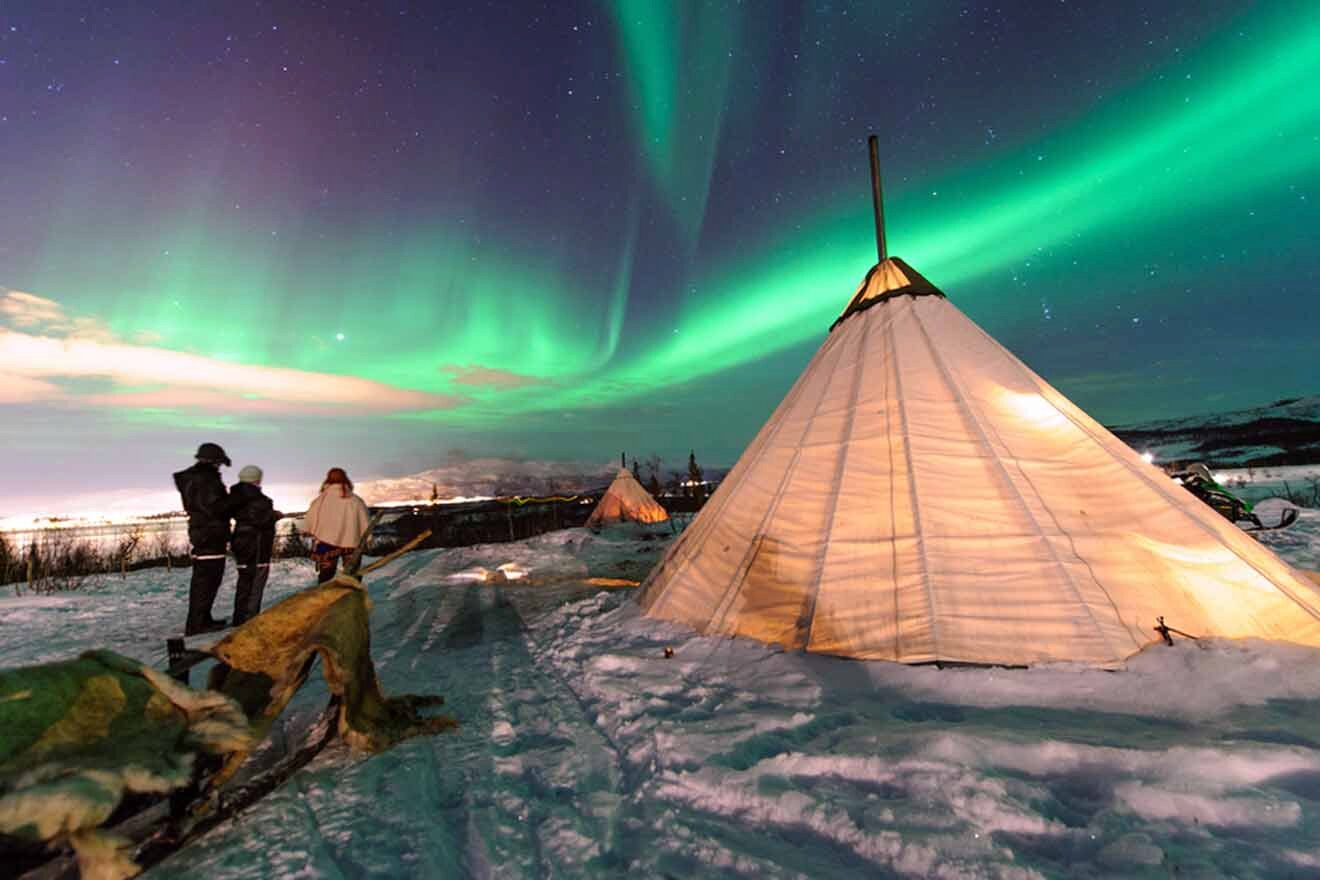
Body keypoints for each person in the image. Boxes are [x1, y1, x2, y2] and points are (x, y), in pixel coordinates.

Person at [173, 442, 237, 635]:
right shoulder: (206, 480)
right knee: (207, 579)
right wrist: (233, 500)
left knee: (207, 579)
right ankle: (197, 623)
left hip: (204, 533)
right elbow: (214, 507)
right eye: (219, 463)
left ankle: (202, 618)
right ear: (213, 462)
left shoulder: (196, 479)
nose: (220, 468)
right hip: (210, 534)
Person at [229, 465, 282, 626]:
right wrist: (274, 515)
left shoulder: (234, 497)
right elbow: (259, 519)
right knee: (255, 583)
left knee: (244, 582)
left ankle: (240, 617)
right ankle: (248, 620)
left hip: (241, 543)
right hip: (257, 545)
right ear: (256, 480)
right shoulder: (259, 500)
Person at [303, 467, 370, 583]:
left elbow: (309, 521)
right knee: (352, 575)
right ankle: (352, 598)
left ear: (327, 481)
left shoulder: (320, 501)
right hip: (351, 544)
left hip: (326, 544)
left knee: (326, 576)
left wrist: (308, 531)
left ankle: (325, 598)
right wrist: (368, 539)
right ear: (346, 480)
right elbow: (365, 522)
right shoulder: (356, 501)